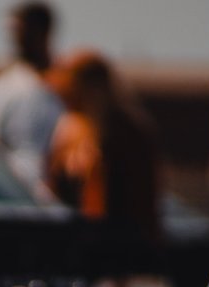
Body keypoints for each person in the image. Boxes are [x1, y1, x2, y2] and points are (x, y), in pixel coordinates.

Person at [45, 50, 160, 244]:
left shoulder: (126, 134)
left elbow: (140, 205)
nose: (69, 106)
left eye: (74, 96)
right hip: (85, 243)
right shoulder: (70, 133)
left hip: (122, 245)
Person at [0, 3, 64, 192]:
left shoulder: (67, 87)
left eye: (25, 33)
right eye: (14, 33)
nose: (18, 40)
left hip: (59, 196)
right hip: (14, 195)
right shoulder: (0, 89)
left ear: (45, 32)